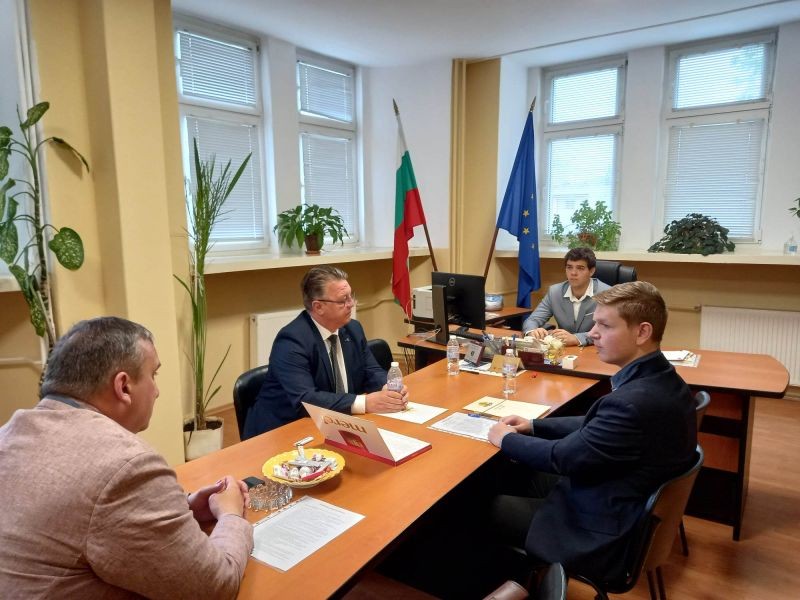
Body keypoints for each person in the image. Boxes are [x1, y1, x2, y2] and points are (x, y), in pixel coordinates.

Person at [0, 317, 253, 599]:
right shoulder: (127, 465)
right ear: (123, 386)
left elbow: (81, 512)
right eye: (153, 375)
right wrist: (231, 515)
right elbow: (214, 587)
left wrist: (184, 508)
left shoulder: (9, 435)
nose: (157, 391)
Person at [488, 281, 697, 583]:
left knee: (478, 505)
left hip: (596, 528)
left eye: (604, 325)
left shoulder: (633, 403)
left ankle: (510, 584)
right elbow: (594, 423)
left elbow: (562, 458)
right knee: (510, 474)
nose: (593, 333)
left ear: (642, 332)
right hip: (616, 493)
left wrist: (505, 438)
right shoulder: (662, 378)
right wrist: (534, 425)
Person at [244, 265, 408, 437]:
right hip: (283, 431)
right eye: (342, 300)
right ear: (318, 307)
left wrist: (389, 388)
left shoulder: (353, 329)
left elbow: (371, 370)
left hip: (333, 422)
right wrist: (365, 403)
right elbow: (306, 399)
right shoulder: (291, 341)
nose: (351, 304)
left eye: (351, 296)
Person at [521, 247, 610, 346]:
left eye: (580, 268)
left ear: (591, 271)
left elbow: (609, 330)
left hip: (597, 349)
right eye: (569, 267)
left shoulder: (607, 294)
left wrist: (577, 338)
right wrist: (532, 331)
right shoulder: (555, 292)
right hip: (564, 350)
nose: (573, 273)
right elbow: (532, 320)